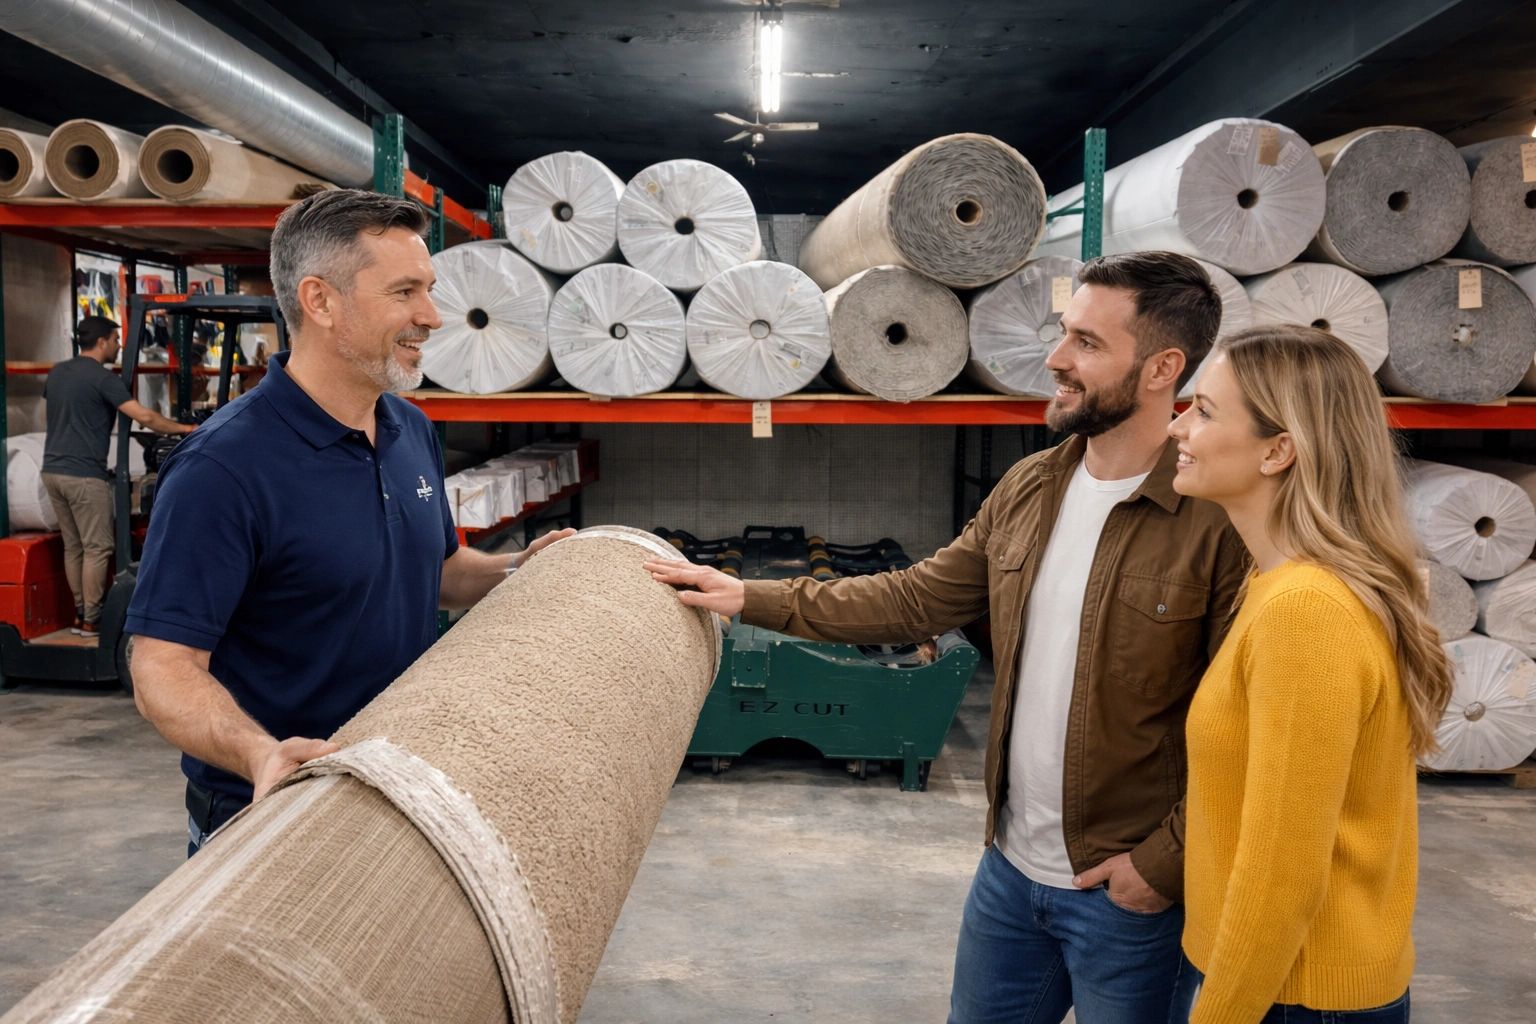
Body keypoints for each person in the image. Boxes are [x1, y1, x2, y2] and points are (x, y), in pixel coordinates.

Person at [646, 252, 1250, 1023]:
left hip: (1129, 899)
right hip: (1008, 874)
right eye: (1064, 334)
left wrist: (1165, 865)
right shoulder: (1033, 486)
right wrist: (745, 596)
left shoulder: (1217, 521)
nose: (1056, 360)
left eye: (1088, 345)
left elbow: (1249, 727)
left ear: (1165, 367)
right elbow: (916, 598)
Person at [125, 189, 573, 857]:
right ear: (321, 301)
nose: (434, 316)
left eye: (430, 289)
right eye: (405, 293)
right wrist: (260, 753)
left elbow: (440, 569)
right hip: (274, 807)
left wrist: (517, 569)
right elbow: (161, 667)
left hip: (403, 789)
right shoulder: (224, 469)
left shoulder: (409, 428)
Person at [1165, 325, 1453, 1023]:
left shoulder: (1305, 612)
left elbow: (1280, 873)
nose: (1178, 425)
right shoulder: (1280, 588)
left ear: (1278, 450)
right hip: (1279, 983)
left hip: (1289, 995)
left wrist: (1220, 1012)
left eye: (1203, 410)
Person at [41, 315, 193, 637]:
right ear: (101, 342)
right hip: (84, 475)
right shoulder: (102, 378)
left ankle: (81, 615)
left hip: (52, 471)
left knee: (75, 547)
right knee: (98, 547)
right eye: (115, 339)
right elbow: (144, 416)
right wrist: (186, 429)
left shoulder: (57, 373)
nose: (119, 345)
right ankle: (92, 621)